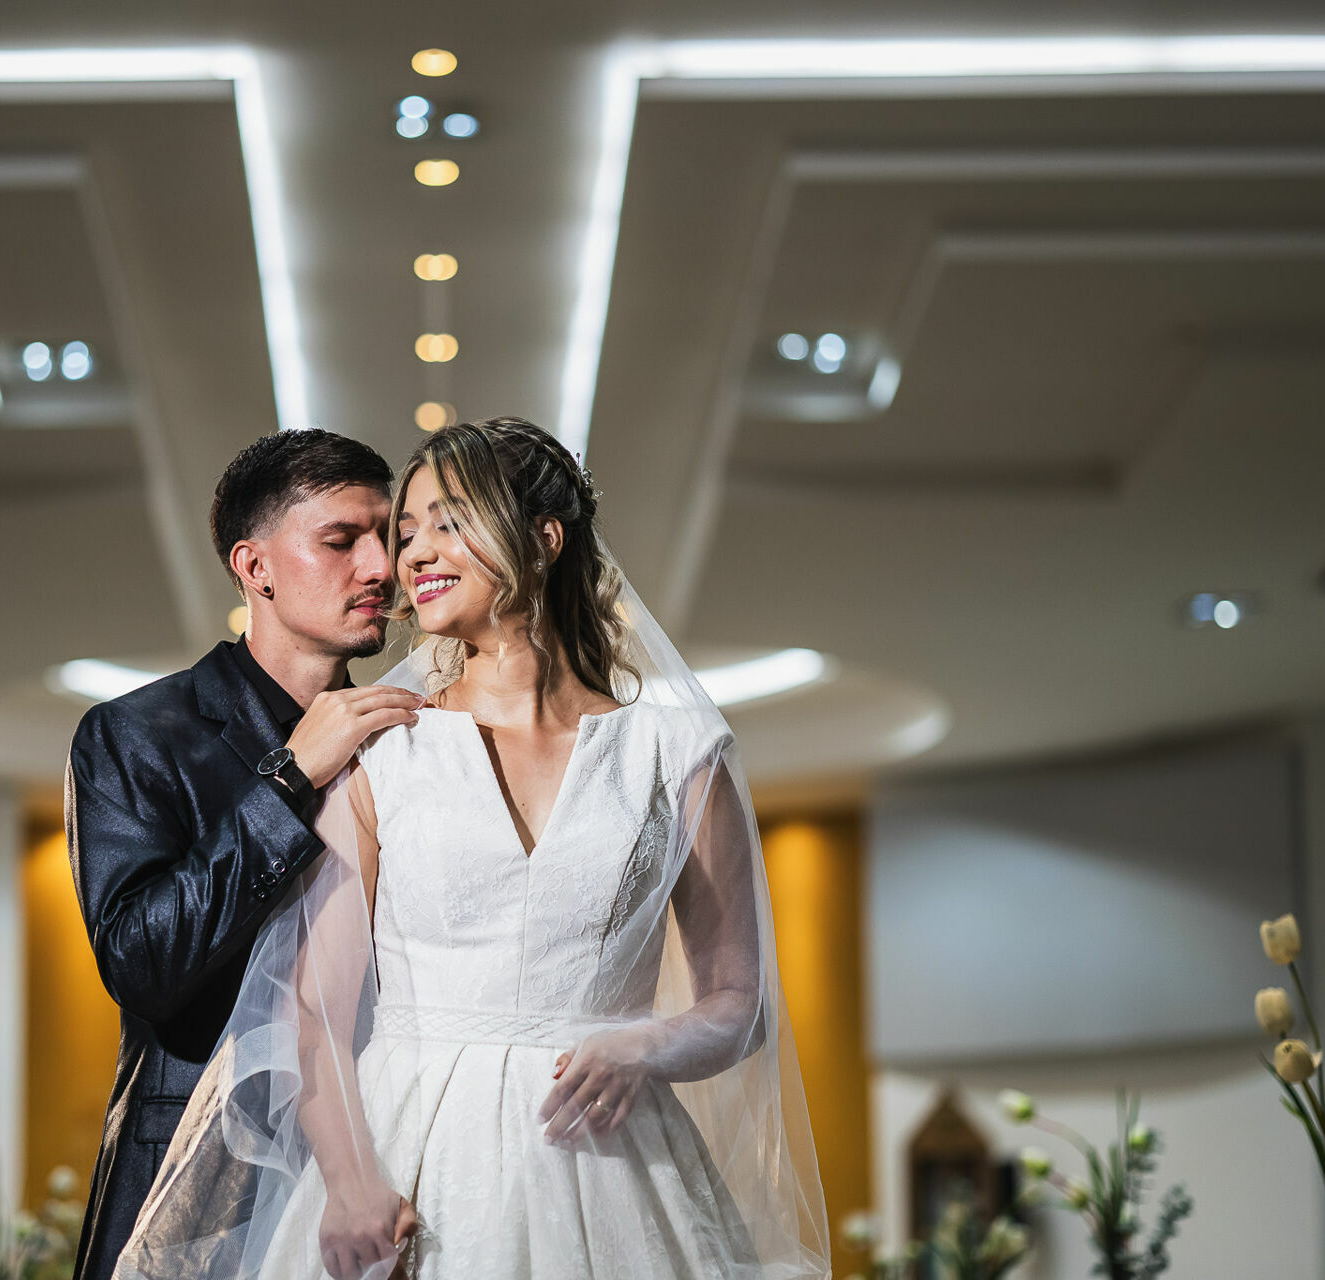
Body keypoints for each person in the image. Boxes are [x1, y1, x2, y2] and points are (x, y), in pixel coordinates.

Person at [115, 416, 829, 1280]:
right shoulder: (381, 746)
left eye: (447, 522)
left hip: (615, 1168)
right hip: (413, 1153)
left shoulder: (678, 757)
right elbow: (314, 1009)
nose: (409, 555)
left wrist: (644, 1044)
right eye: (404, 531)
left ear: (543, 537)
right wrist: (347, 1185)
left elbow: (737, 1003)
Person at [65, 428, 428, 1280]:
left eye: (390, 537)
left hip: (388, 1158)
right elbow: (143, 963)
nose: (381, 567)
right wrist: (291, 777)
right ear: (255, 567)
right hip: (197, 1188)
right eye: (342, 541)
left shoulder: (413, 740)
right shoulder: (133, 736)